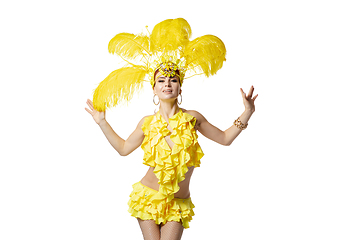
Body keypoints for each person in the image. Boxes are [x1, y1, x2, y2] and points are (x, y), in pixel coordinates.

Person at [85, 18, 258, 240]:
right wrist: (102, 122)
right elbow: (123, 148)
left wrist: (247, 112)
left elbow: (224, 138)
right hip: (148, 197)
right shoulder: (147, 123)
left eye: (173, 80)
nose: (167, 84)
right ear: (154, 89)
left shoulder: (192, 118)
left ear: (180, 86)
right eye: (162, 80)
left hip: (178, 203)